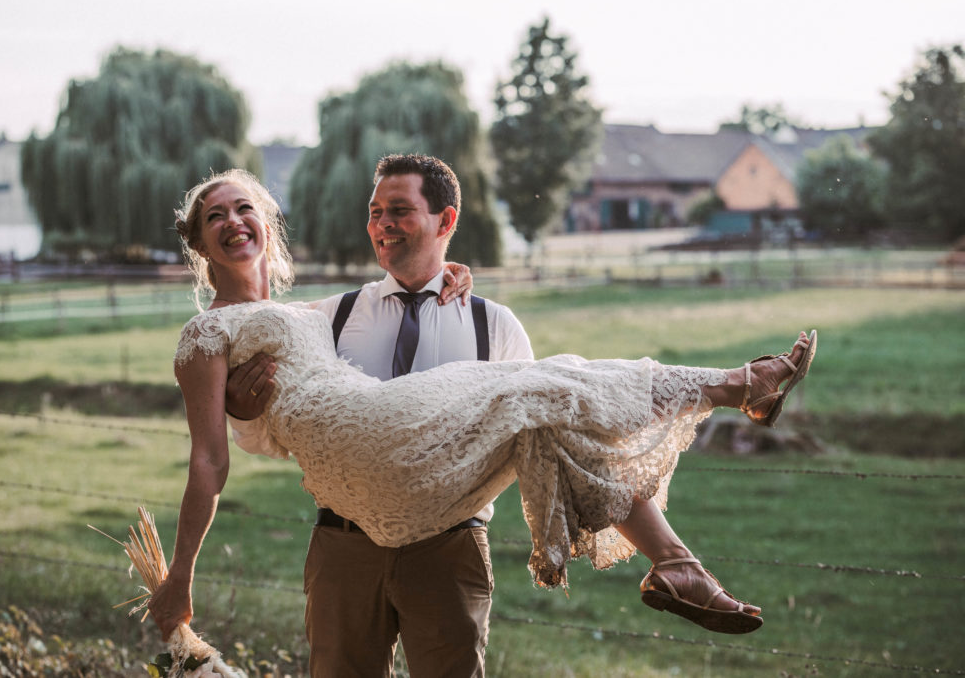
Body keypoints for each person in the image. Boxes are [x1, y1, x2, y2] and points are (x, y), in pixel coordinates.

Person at [148, 167, 817, 661]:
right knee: (552, 386)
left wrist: (449, 280)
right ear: (200, 245)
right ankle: (737, 387)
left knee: (552, 403)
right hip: (362, 477)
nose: (233, 221)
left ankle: (676, 556)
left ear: (268, 223)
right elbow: (220, 453)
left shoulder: (315, 313)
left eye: (244, 208)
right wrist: (182, 571)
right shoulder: (252, 326)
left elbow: (289, 386)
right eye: (216, 216)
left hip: (443, 521)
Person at [224, 154, 532, 676]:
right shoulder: (328, 319)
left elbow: (523, 437)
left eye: (399, 209)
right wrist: (245, 413)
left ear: (446, 220)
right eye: (374, 211)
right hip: (343, 548)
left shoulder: (494, 327)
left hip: (450, 548)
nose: (382, 224)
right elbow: (269, 439)